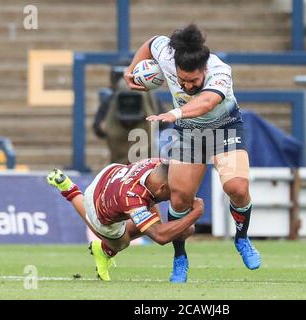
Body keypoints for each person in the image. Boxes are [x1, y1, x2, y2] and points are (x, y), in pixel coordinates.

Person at [124, 24, 261, 283]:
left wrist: (174, 113)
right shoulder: (166, 54)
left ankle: (242, 239)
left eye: (193, 81)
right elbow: (151, 42)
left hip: (225, 128)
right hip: (189, 133)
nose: (187, 86)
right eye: (182, 80)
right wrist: (130, 71)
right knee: (180, 199)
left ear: (205, 70)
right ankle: (180, 258)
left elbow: (207, 102)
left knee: (237, 187)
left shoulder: (220, 71)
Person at [46, 158, 204, 281]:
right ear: (162, 188)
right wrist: (195, 213)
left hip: (113, 173)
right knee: (122, 242)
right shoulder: (132, 197)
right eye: (173, 191)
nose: (175, 194)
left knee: (161, 226)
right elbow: (160, 237)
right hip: (98, 203)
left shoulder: (157, 163)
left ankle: (105, 249)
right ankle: (69, 189)